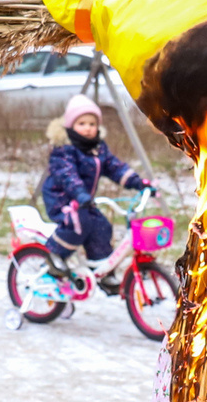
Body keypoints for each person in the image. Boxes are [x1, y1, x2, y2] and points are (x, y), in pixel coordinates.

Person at [41, 93, 150, 277]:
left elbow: (114, 167)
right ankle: (55, 254)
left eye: (92, 124)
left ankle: (100, 268)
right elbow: (68, 176)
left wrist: (138, 182)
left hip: (84, 201)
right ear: (70, 125)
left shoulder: (98, 148)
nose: (88, 128)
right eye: (81, 124)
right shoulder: (64, 149)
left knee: (102, 226)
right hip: (62, 198)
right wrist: (81, 195)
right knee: (79, 224)